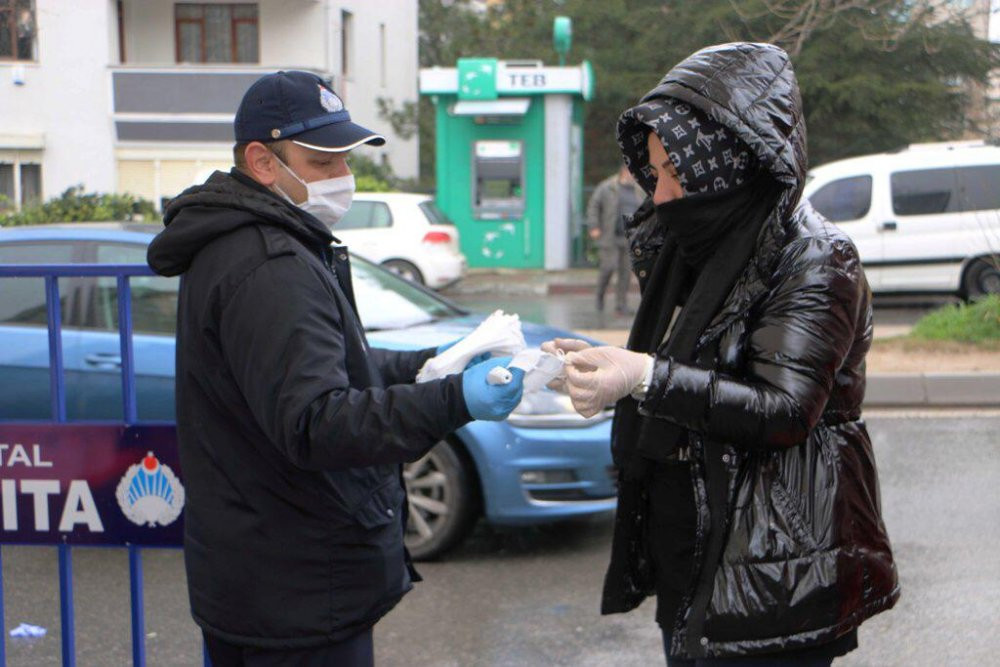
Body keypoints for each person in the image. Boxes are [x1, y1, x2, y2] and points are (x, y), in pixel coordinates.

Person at [147, 71, 524, 666]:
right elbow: (316, 421)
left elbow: (315, 366)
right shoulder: (270, 264)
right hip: (295, 590)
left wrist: (429, 364)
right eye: (322, 162)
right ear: (262, 161)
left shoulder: (258, 241)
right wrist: (456, 401)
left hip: (266, 575)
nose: (341, 177)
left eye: (344, 159)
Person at [545, 43, 898, 665]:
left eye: (678, 171)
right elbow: (690, 371)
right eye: (654, 173)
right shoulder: (700, 247)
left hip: (776, 560)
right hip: (699, 549)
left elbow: (784, 411)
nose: (663, 194)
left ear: (732, 163)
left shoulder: (815, 257)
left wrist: (646, 378)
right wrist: (612, 373)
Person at [587, 164, 645, 314]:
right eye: (631, 173)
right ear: (624, 172)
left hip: (630, 238)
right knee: (608, 267)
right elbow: (594, 205)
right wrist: (594, 226)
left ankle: (621, 304)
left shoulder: (638, 190)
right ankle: (600, 296)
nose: (633, 176)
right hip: (610, 236)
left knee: (626, 272)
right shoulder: (607, 187)